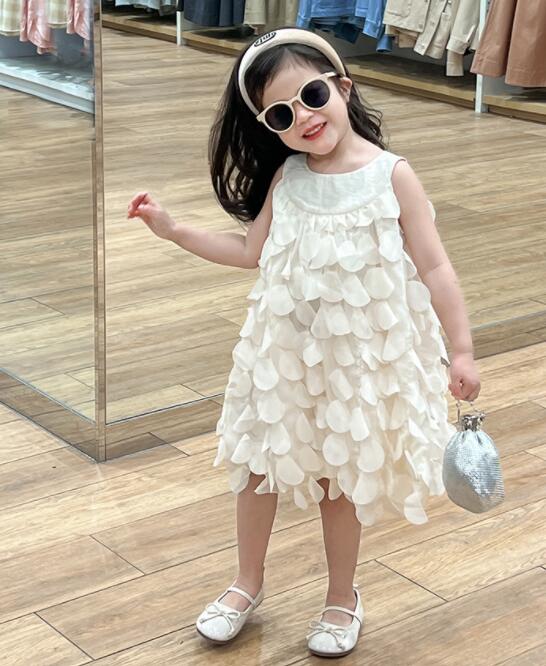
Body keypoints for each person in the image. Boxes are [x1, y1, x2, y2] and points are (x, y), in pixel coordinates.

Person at [127, 27, 481, 659]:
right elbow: (248, 251)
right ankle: (247, 582)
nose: (305, 118)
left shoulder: (392, 176)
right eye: (282, 115)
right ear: (270, 128)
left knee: (339, 481)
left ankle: (342, 596)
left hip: (355, 366)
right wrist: (174, 230)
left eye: (313, 96)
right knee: (258, 469)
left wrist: (462, 350)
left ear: (343, 87)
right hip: (281, 359)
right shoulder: (287, 179)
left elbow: (435, 267)